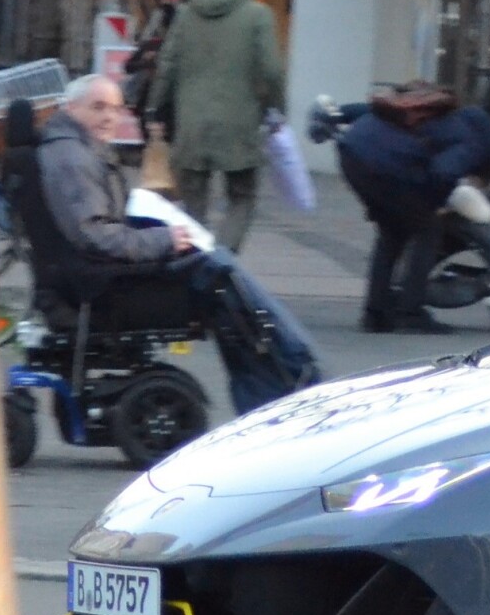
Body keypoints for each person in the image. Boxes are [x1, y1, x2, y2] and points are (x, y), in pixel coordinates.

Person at [40, 75, 321, 412]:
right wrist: (163, 239)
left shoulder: (76, 148)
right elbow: (97, 235)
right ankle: (293, 368)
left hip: (97, 274)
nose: (108, 118)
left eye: (115, 109)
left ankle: (284, 371)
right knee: (219, 273)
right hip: (102, 286)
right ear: (70, 108)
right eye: (98, 107)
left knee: (217, 265)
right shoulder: (73, 158)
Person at [331, 96, 490, 332]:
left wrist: (340, 112)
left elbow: (374, 109)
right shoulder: (473, 144)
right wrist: (437, 205)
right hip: (387, 165)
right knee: (428, 230)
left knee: (391, 233)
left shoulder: (439, 115)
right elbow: (443, 174)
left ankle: (376, 314)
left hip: (353, 153)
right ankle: (410, 313)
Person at [146, 0, 285, 252]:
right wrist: (277, 109)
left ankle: (195, 263)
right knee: (242, 197)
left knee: (193, 206)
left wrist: (154, 109)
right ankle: (221, 262)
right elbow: (272, 70)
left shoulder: (185, 14)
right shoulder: (258, 16)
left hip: (191, 124)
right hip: (240, 124)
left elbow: (167, 64)